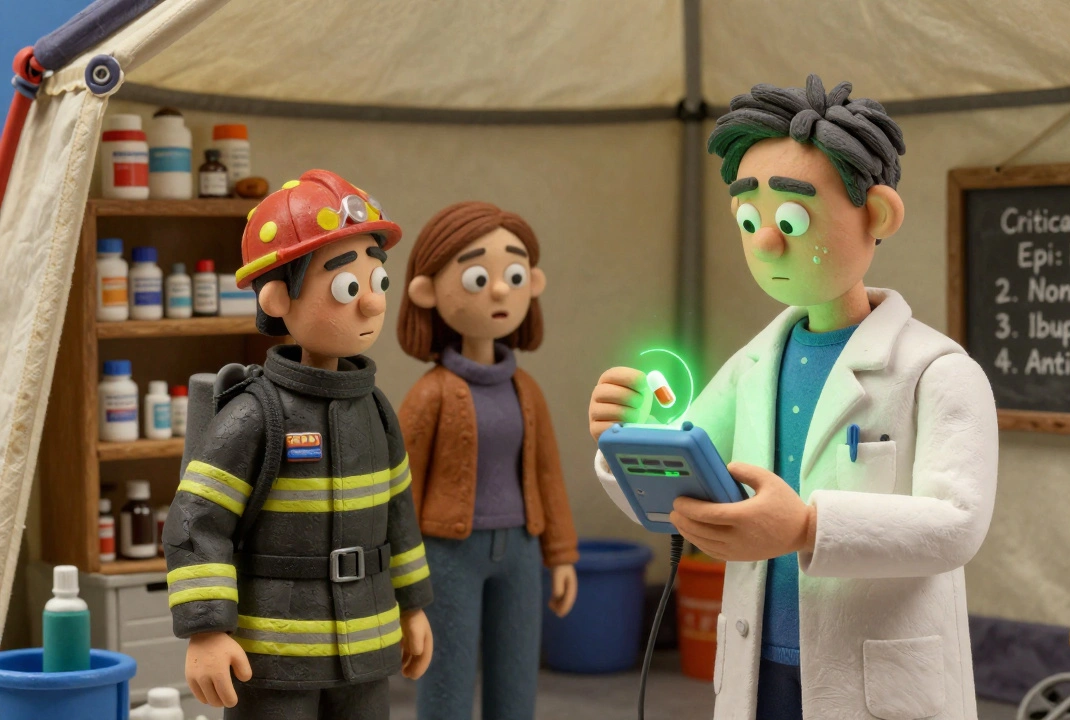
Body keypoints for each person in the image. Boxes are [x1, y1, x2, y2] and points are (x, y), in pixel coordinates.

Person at [587, 75, 999, 720]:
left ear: (879, 215)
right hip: (758, 664)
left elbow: (957, 526)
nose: (767, 242)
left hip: (877, 678)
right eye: (749, 220)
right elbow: (675, 487)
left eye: (791, 217)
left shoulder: (938, 371)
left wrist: (809, 527)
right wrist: (632, 438)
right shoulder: (754, 365)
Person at [163, 170, 434, 720]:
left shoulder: (377, 410)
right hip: (275, 646)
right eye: (347, 288)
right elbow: (198, 521)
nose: (372, 305)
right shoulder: (254, 414)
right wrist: (207, 629)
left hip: (366, 632)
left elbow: (399, 515)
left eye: (377, 283)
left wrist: (413, 607)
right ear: (279, 297)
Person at [396, 201, 580, 720]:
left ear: (533, 283)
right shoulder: (430, 394)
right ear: (427, 291)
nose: (500, 290)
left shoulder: (526, 389)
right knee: (446, 675)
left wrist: (560, 554)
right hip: (447, 556)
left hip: (521, 551)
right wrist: (401, 575)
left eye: (515, 274)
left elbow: (548, 476)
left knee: (517, 673)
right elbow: (399, 490)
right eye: (478, 276)